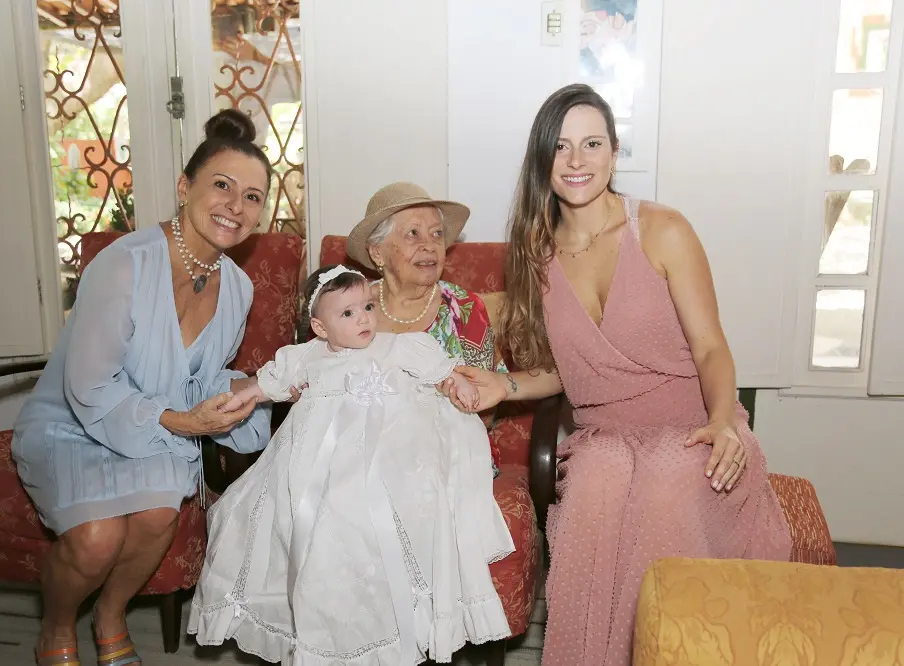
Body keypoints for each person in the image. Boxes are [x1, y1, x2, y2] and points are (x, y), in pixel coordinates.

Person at [445, 84, 792, 666]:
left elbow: (710, 347)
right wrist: (504, 385)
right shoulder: (535, 251)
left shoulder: (663, 230)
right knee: (591, 489)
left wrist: (723, 423)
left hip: (690, 425)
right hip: (606, 434)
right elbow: (571, 368)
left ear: (613, 151)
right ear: (541, 158)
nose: (576, 160)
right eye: (560, 146)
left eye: (592, 144)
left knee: (664, 490)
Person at [12, 109, 275, 666]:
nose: (236, 205)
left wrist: (260, 387)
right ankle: (56, 628)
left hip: (157, 425)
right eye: (222, 186)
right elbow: (89, 385)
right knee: (96, 538)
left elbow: (201, 374)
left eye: (252, 197)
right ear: (184, 187)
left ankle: (110, 616)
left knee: (158, 517)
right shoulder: (124, 264)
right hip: (74, 420)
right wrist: (182, 422)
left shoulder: (238, 288)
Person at [187, 265, 513, 665]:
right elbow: (264, 386)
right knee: (293, 513)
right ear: (320, 328)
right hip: (318, 460)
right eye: (347, 313)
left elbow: (442, 373)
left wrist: (455, 382)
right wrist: (242, 398)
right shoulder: (305, 357)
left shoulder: (396, 346)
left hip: (390, 453)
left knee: (397, 501)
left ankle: (400, 618)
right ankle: (331, 628)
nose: (363, 319)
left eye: (368, 307)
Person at [345, 181, 509, 474]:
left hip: (449, 454)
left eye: (437, 234)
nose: (429, 245)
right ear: (377, 252)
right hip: (361, 454)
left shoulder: (464, 310)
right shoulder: (349, 309)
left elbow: (485, 411)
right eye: (413, 233)